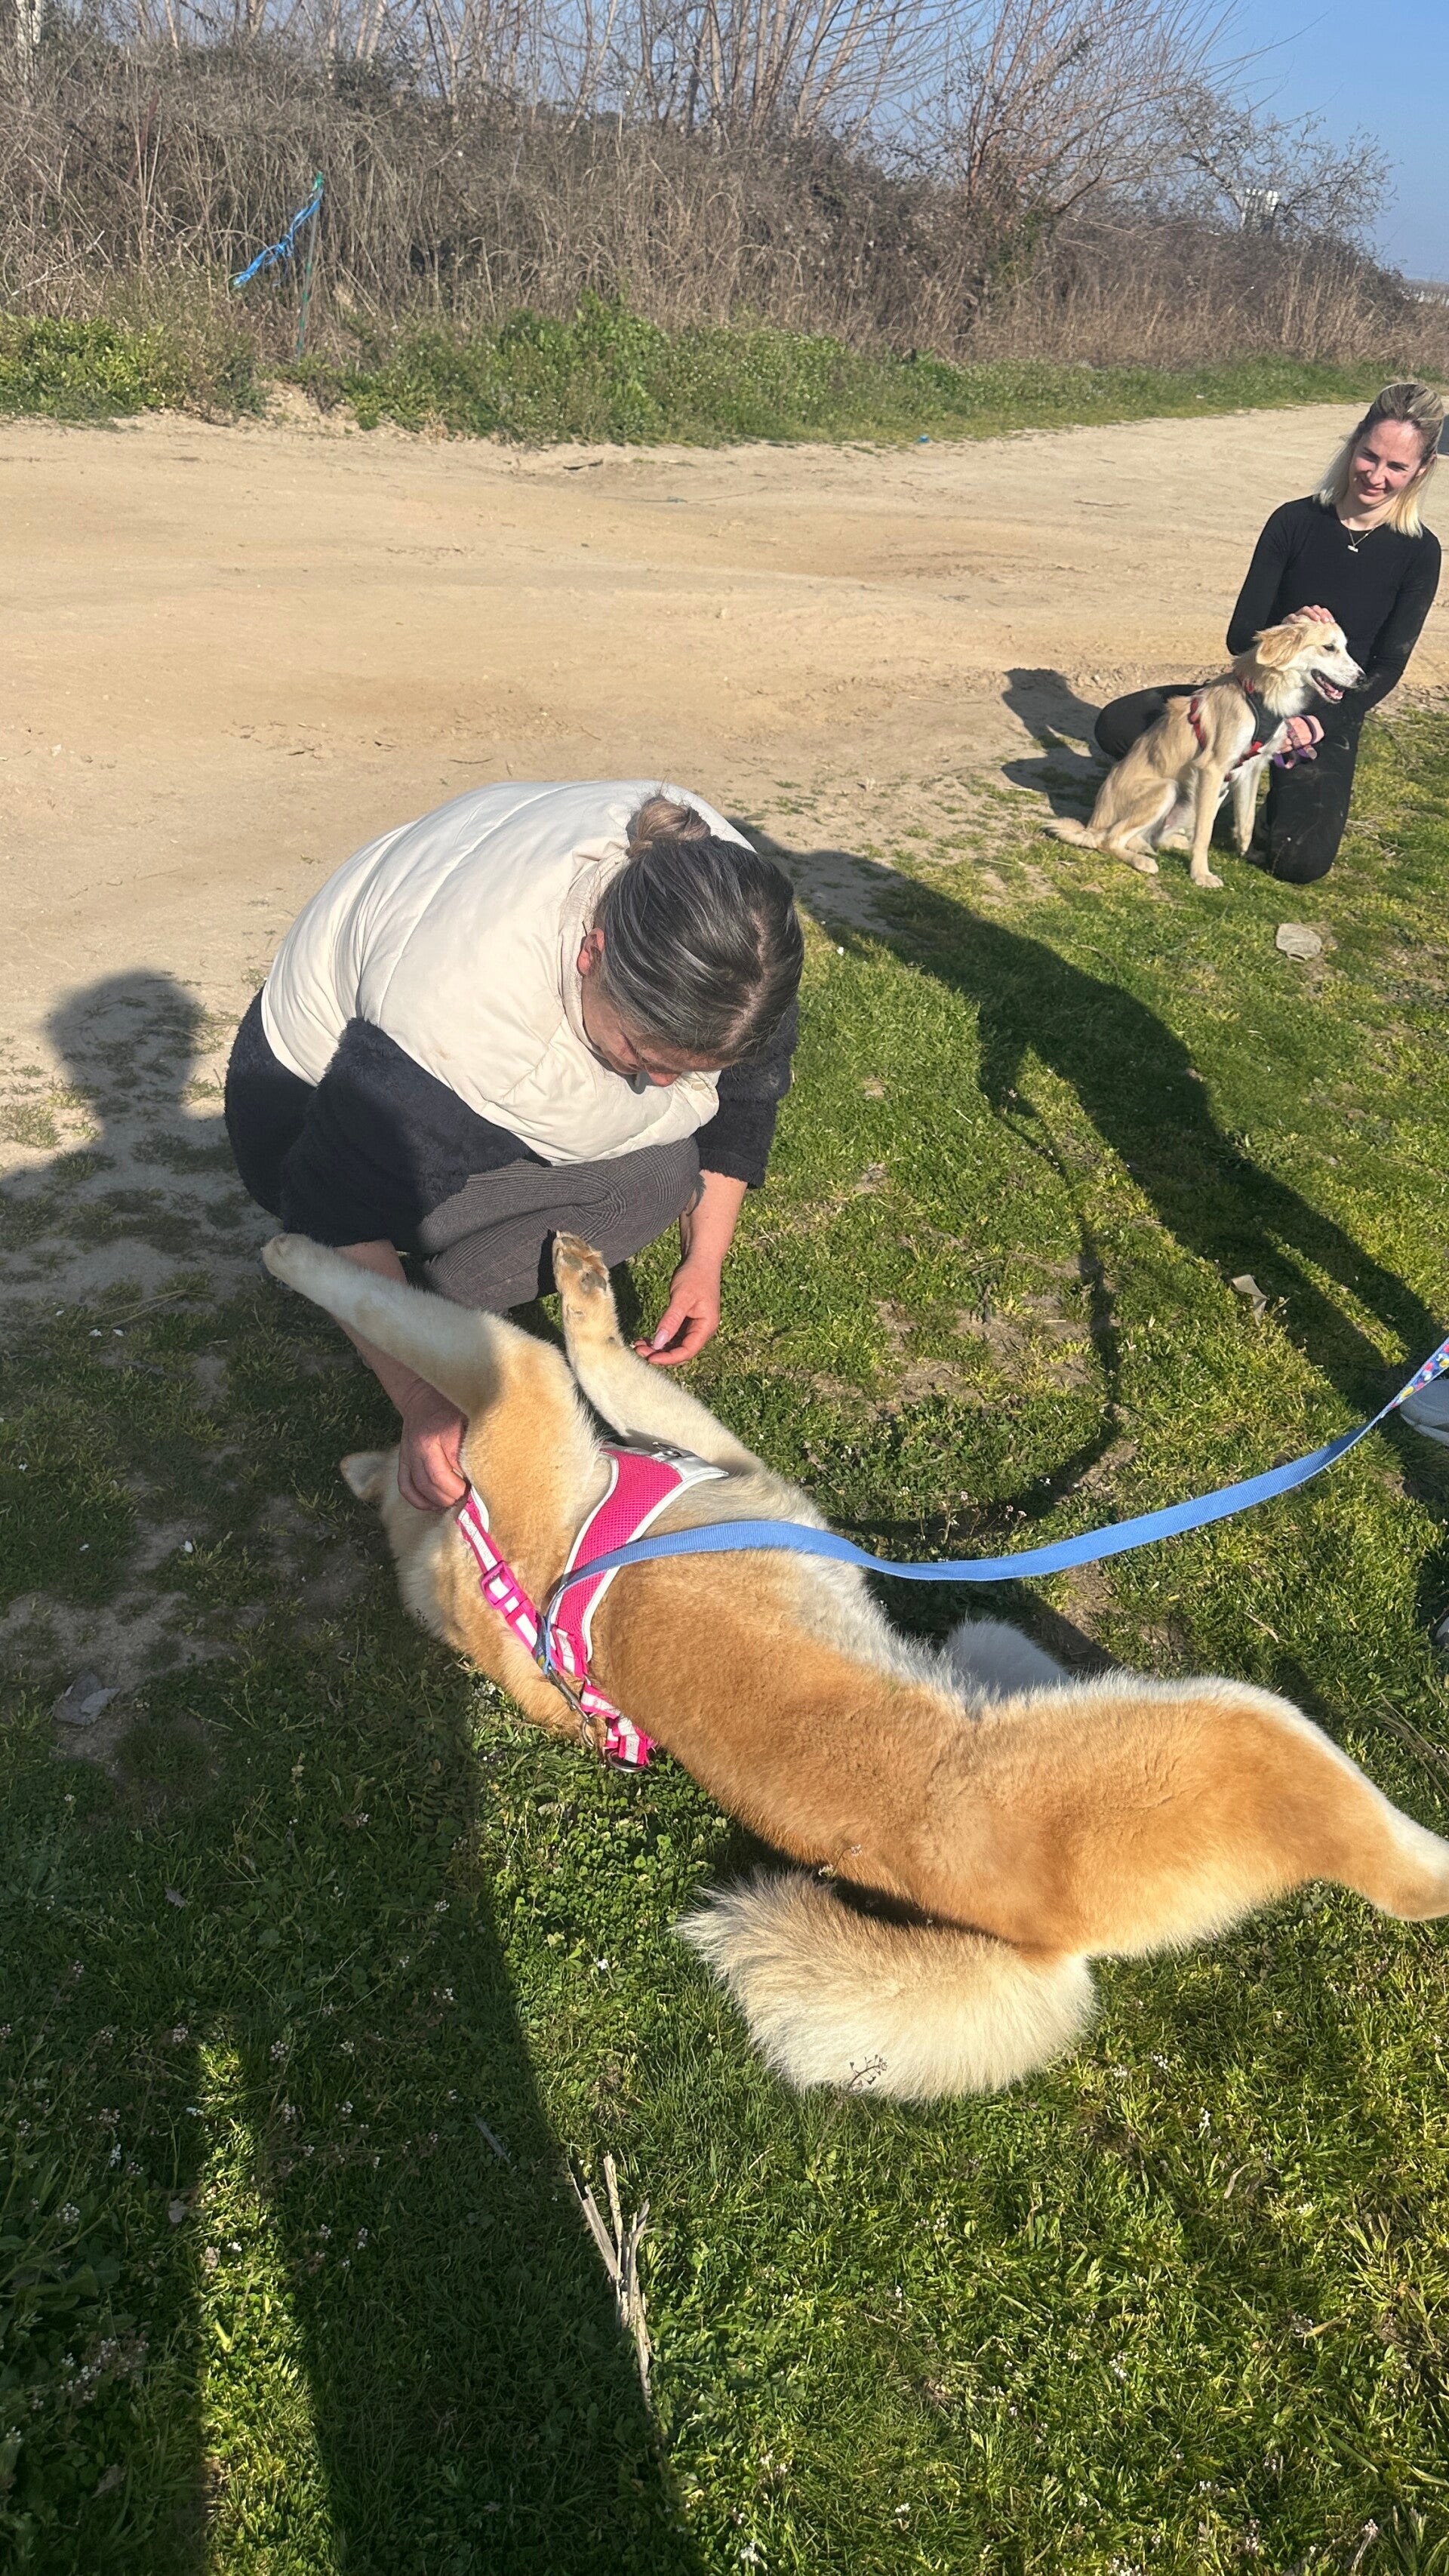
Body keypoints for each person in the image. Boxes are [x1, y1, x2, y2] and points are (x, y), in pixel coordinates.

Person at [226, 779, 802, 1510]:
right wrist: (423, 1391)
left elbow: (747, 1091)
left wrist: (705, 1259)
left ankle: (430, 1291)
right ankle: (424, 1304)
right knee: (645, 1181)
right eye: (643, 1053)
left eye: (691, 1067)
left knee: (662, 1173)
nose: (662, 1082)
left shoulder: (740, 931)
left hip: (416, 1061)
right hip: (297, 1109)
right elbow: (323, 1203)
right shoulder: (465, 1024)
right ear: (593, 952)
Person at [1094, 381, 1443, 884]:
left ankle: (1249, 797)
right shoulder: (1294, 521)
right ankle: (1209, 779)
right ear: (1354, 442)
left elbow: (1387, 666)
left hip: (1325, 711)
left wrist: (1320, 723)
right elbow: (1240, 637)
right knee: (1116, 725)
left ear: (1422, 470)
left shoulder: (1419, 552)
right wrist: (1288, 628)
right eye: (1369, 456)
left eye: (1396, 467)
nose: (1376, 475)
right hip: (1254, 694)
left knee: (1299, 861)